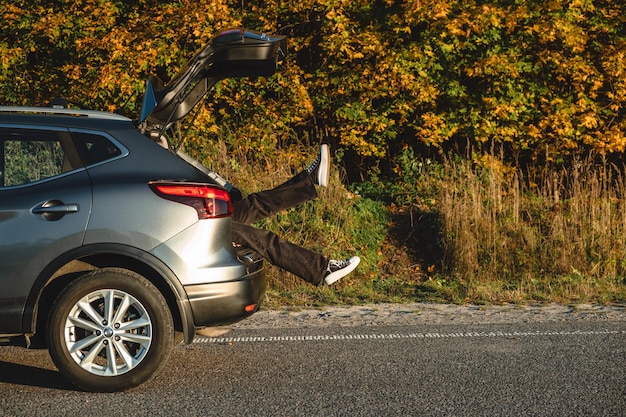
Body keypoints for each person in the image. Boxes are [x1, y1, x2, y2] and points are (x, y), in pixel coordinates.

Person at [229, 144, 360, 286]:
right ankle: (322, 269)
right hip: (202, 231)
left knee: (255, 204)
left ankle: (309, 179)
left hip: (204, 220)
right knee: (260, 238)